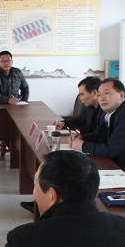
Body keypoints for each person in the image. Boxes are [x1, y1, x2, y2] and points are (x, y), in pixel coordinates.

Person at [21, 76, 105, 213]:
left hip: (96, 152)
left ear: (95, 93)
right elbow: (78, 120)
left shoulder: (105, 111)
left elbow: (101, 136)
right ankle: (43, 200)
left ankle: (50, 202)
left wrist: (83, 141)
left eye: (82, 94)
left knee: (66, 170)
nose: (80, 98)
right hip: (87, 148)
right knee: (60, 166)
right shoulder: (89, 108)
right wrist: (64, 124)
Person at [70, 78, 125, 189]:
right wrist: (82, 137)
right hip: (118, 166)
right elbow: (98, 135)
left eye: (106, 93)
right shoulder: (111, 113)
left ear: (121, 95)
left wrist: (82, 145)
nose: (102, 98)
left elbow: (111, 150)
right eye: (99, 95)